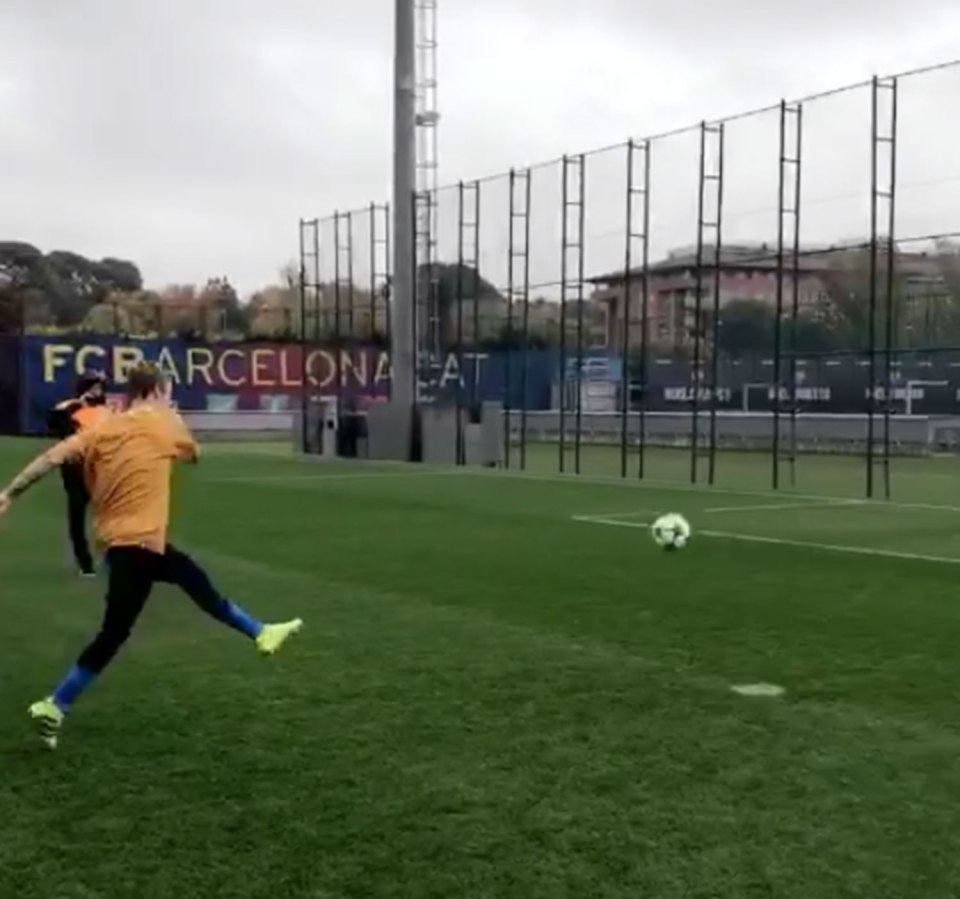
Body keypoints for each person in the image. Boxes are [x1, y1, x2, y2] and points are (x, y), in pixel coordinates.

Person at [0, 361, 303, 750]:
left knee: (194, 580)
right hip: (138, 547)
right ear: (157, 390)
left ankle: (261, 632)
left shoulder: (102, 427)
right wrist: (168, 424)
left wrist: (10, 494)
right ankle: (55, 704)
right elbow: (194, 454)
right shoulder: (164, 422)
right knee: (116, 632)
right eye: (168, 391)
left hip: (121, 545)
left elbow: (51, 459)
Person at [47, 370, 112, 576]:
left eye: (100, 387)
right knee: (77, 517)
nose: (97, 391)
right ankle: (85, 562)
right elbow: (57, 427)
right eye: (94, 386)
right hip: (75, 470)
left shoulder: (105, 411)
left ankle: (112, 556)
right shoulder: (71, 407)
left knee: (109, 515)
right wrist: (78, 406)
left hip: (99, 468)